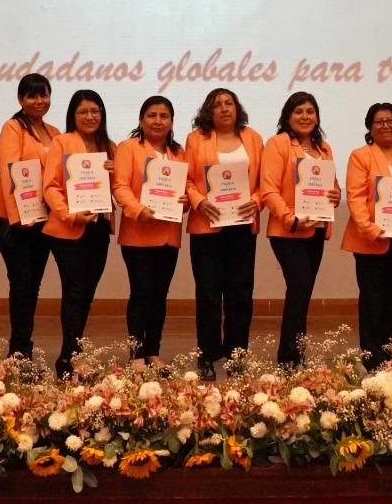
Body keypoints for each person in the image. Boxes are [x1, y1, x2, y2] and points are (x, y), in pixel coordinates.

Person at [183, 88, 265, 380]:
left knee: (240, 293)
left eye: (229, 103)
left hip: (242, 225)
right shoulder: (196, 140)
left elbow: (263, 181)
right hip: (207, 224)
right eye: (217, 105)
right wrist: (199, 202)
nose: (224, 108)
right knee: (207, 293)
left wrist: (256, 201)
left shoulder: (253, 138)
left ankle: (236, 354)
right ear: (208, 111)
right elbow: (188, 180)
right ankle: (206, 355)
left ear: (237, 107)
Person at [260, 91, 341, 367]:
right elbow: (268, 190)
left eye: (310, 111)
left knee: (303, 291)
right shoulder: (278, 144)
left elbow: (334, 187)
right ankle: (289, 358)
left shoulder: (324, 148)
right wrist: (291, 218)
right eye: (299, 112)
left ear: (317, 116)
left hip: (317, 229)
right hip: (288, 231)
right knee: (300, 286)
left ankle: (296, 355)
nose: (305, 117)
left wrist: (335, 196)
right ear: (287, 116)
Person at [343, 102, 392, 367]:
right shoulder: (361, 156)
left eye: (390, 120)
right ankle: (371, 355)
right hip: (372, 238)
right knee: (372, 298)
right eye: (379, 121)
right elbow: (355, 197)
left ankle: (389, 349)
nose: (385, 125)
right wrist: (370, 229)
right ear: (370, 127)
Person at [43, 89, 117, 378]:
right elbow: (50, 185)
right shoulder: (62, 142)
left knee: (87, 294)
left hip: (98, 228)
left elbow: (120, 188)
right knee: (73, 293)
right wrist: (69, 214)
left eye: (95, 111)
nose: (90, 117)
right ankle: (71, 356)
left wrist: (113, 173)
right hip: (67, 229)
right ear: (73, 115)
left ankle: (69, 355)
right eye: (83, 112)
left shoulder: (109, 146)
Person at [112, 96, 189, 368]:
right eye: (152, 115)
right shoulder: (128, 148)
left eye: (164, 116)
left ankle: (153, 351)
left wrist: (186, 201)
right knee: (142, 293)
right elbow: (119, 186)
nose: (158, 121)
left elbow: (185, 189)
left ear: (171, 121)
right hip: (138, 233)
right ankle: (137, 355)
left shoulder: (178, 152)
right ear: (141, 120)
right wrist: (137, 209)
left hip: (169, 233)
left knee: (159, 295)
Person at [0, 73, 60, 359]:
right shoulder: (13, 128)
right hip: (18, 222)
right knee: (22, 285)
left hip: (44, 220)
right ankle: (18, 352)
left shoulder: (55, 132)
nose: (39, 101)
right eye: (32, 95)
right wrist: (18, 216)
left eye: (43, 94)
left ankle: (23, 348)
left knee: (32, 286)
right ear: (21, 99)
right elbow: (9, 174)